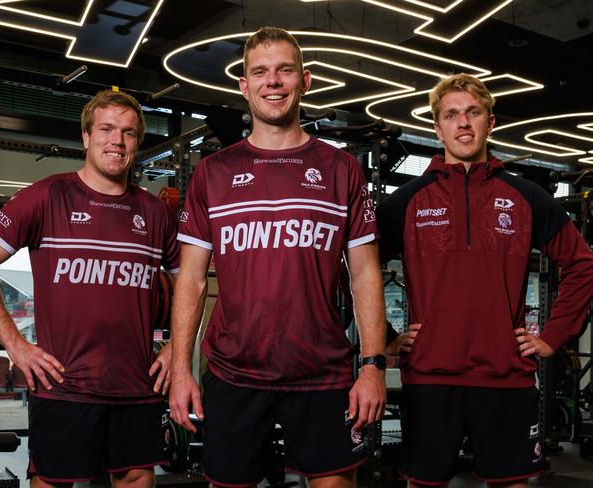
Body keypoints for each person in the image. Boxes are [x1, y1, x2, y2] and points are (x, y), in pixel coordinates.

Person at [169, 27, 388, 488]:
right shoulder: (213, 172)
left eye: (284, 70)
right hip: (233, 371)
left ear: (304, 80)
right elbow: (189, 279)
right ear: (244, 87)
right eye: (260, 72)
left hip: (322, 372)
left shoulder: (340, 168)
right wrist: (179, 369)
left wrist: (372, 366)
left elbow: (365, 274)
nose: (273, 81)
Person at [376, 73, 593, 488]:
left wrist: (554, 334)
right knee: (423, 483)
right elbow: (355, 269)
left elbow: (583, 264)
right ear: (437, 128)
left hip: (505, 376)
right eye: (452, 115)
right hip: (429, 378)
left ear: (489, 123)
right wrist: (384, 338)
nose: (463, 123)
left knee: (511, 482)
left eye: (473, 113)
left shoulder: (526, 196)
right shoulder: (406, 201)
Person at [0, 89, 180, 487]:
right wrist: (15, 344)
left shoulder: (155, 211)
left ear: (137, 143)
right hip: (64, 386)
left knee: (135, 478)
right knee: (54, 481)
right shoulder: (48, 196)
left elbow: (191, 281)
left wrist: (179, 346)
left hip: (136, 386)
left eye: (128, 133)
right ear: (87, 136)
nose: (117, 140)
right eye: (107, 129)